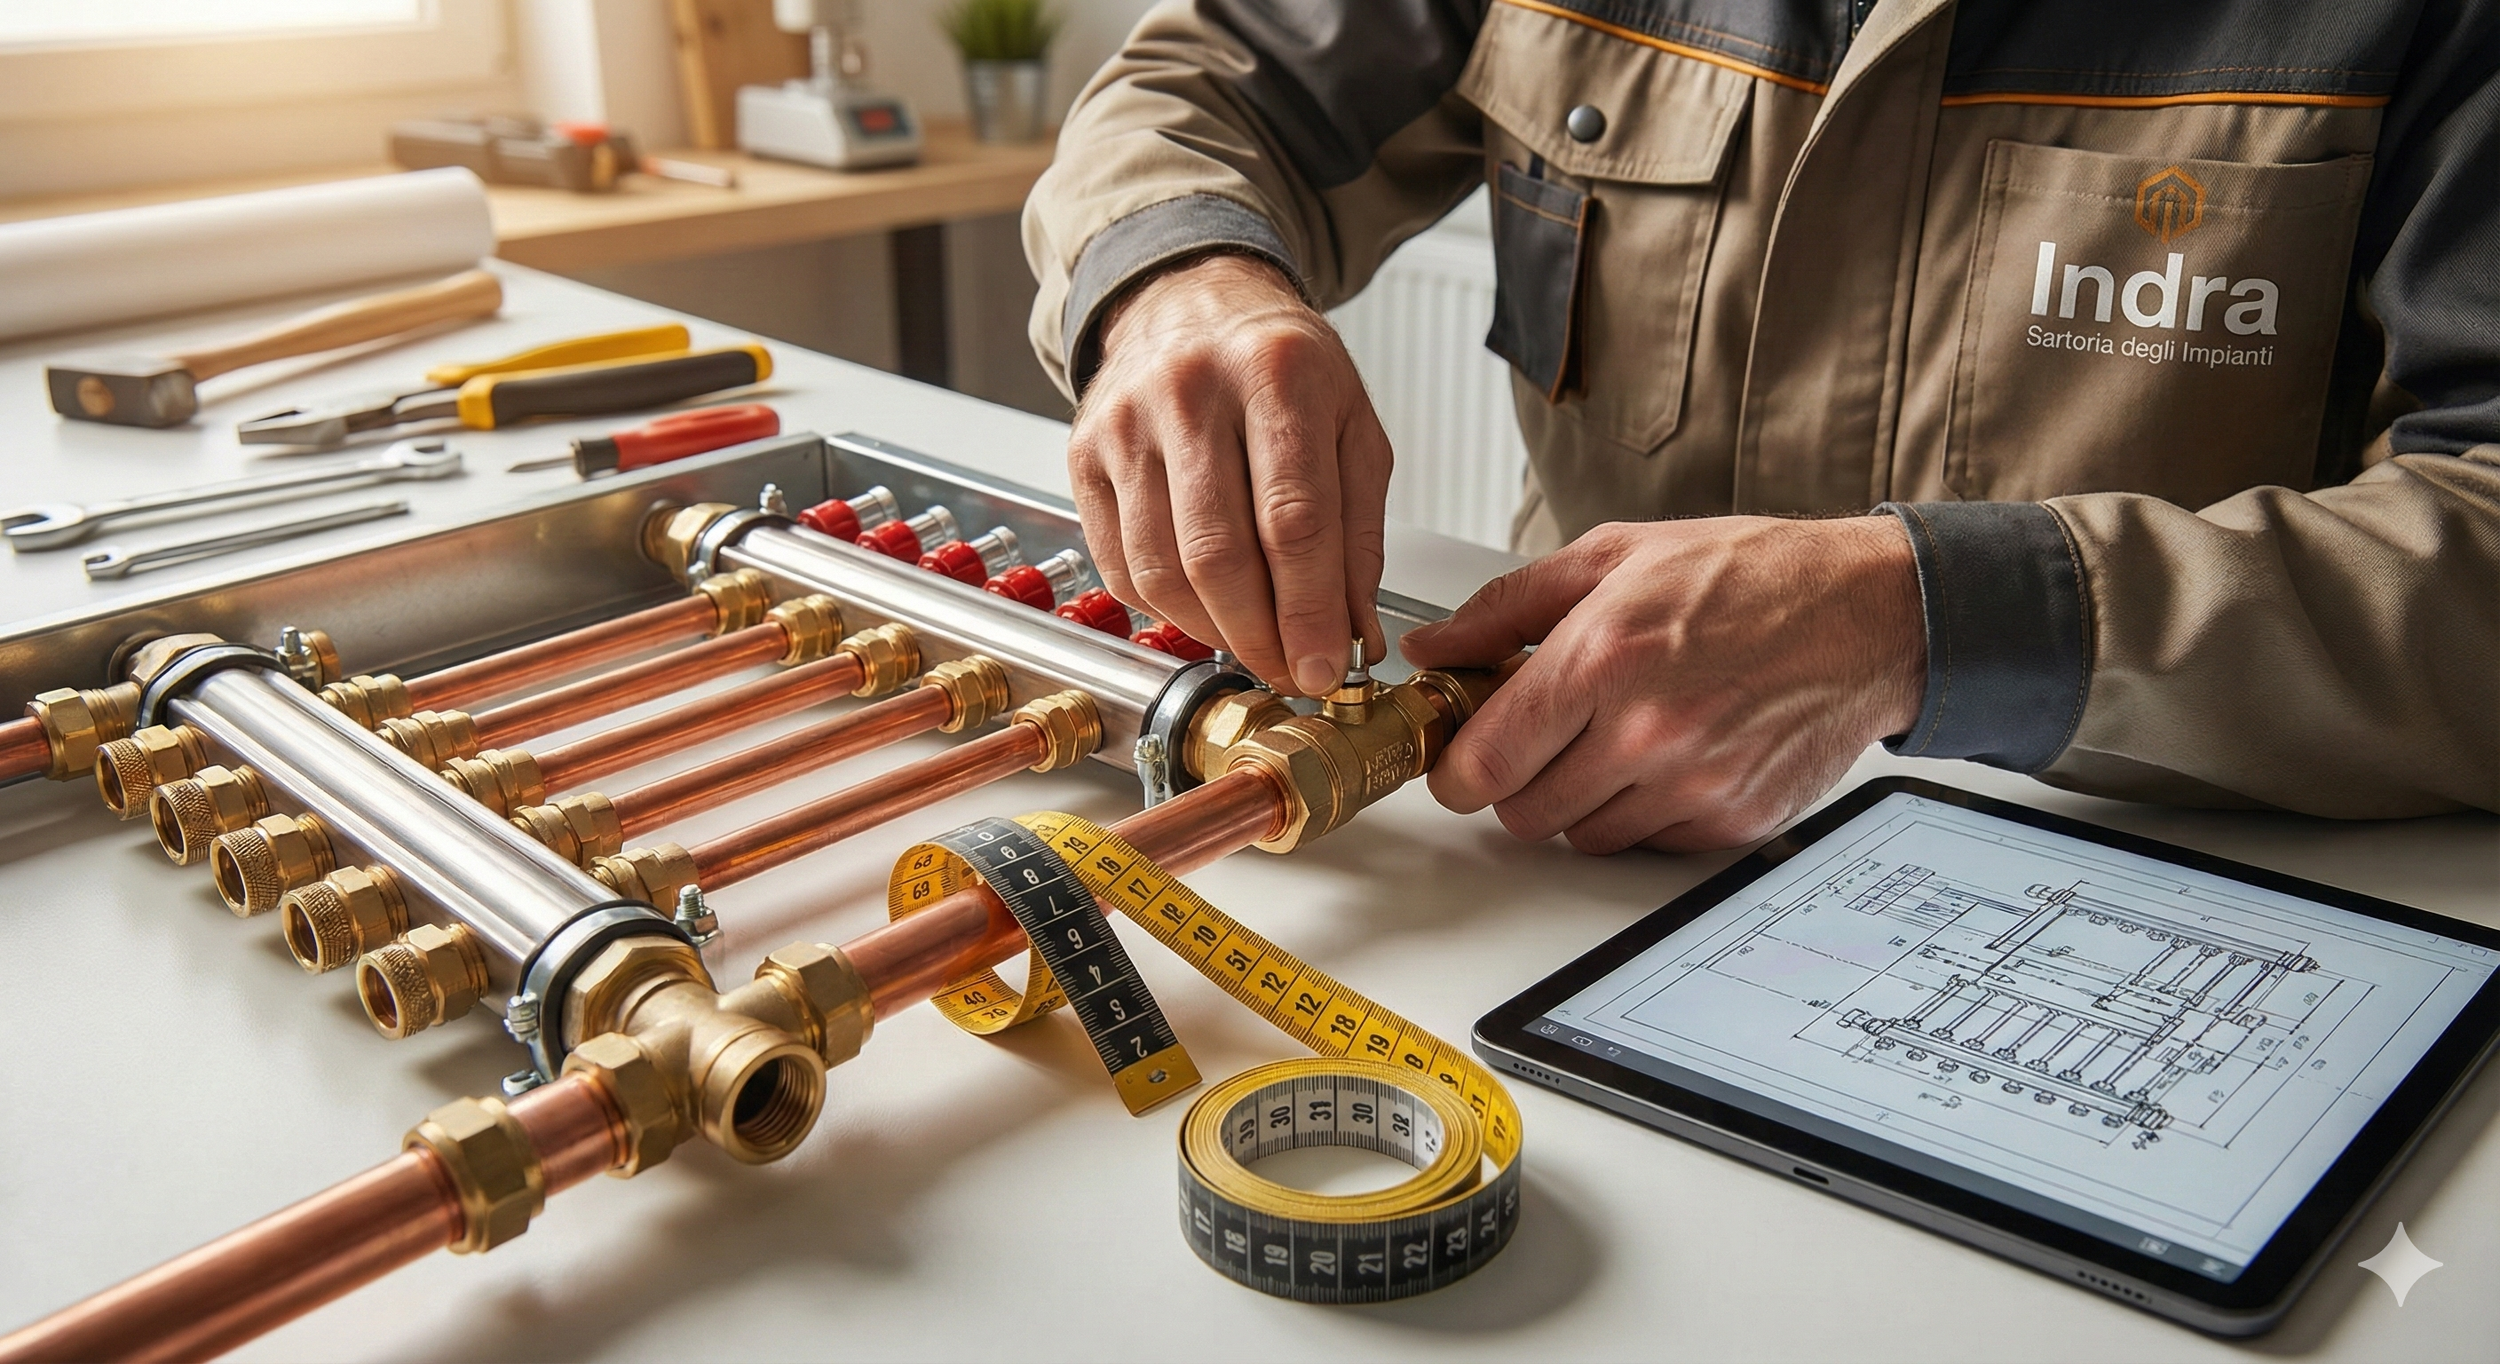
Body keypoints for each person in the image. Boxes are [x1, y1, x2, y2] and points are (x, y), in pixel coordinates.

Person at [1022, 0, 2500, 852]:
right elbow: (1207, 83)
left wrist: (1917, 617)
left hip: (2143, 865)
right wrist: (1177, 278)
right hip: (1547, 844)